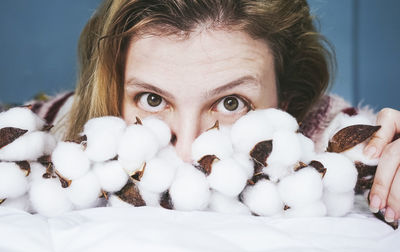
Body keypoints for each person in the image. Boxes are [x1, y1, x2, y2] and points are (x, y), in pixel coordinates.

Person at [32, 0, 400, 223]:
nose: (188, 152)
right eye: (153, 100)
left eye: (230, 103)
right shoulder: (60, 132)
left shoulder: (325, 139)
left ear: (286, 101)